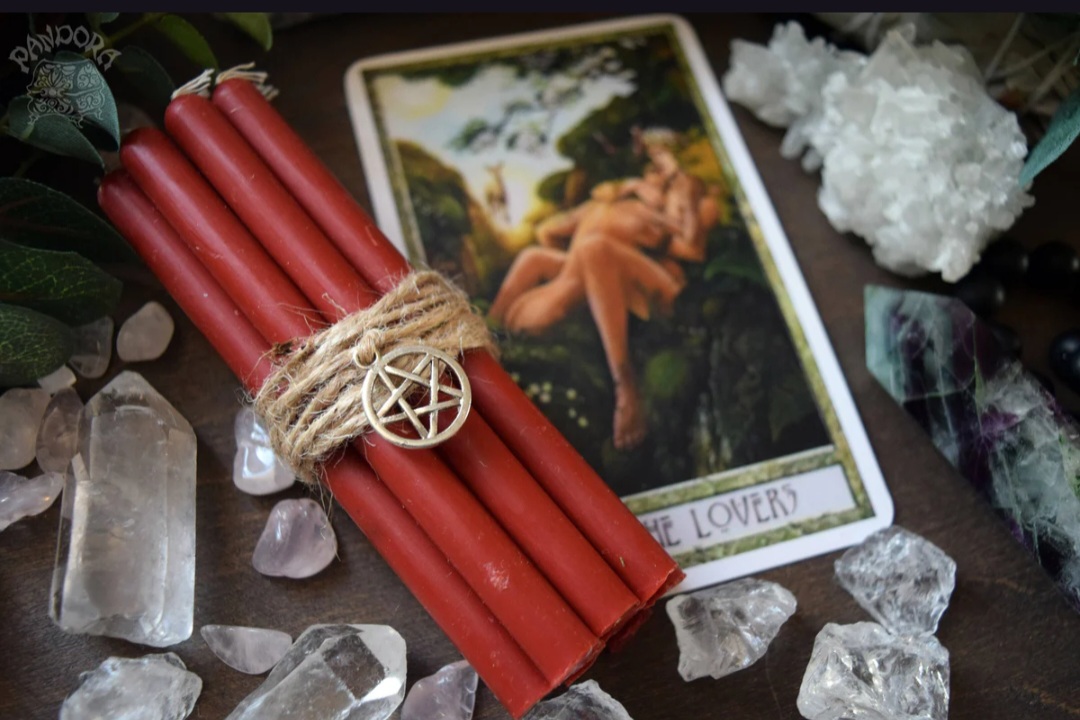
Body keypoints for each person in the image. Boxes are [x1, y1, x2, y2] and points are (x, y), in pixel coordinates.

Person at [489, 129, 717, 449]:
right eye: (649, 166)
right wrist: (581, 271)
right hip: (593, 274)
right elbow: (548, 233)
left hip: (651, 284)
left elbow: (691, 250)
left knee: (594, 248)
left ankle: (626, 385)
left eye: (659, 164)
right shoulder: (611, 204)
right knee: (537, 256)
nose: (652, 173)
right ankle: (484, 335)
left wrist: (662, 214)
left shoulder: (678, 196)